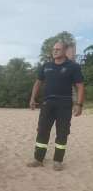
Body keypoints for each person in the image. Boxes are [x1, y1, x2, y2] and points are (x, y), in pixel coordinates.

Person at [28, 41, 85, 171]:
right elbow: (38, 83)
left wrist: (79, 104)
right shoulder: (46, 66)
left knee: (62, 133)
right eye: (54, 49)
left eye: (58, 49)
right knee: (42, 130)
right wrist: (32, 98)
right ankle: (38, 159)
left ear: (65, 51)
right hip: (47, 103)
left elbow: (80, 86)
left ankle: (58, 161)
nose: (55, 51)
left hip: (64, 104)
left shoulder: (73, 67)